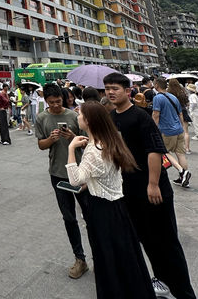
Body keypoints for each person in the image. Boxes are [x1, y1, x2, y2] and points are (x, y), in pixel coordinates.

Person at [105, 72, 197, 299]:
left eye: (115, 88)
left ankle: (184, 292)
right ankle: (162, 281)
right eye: (107, 88)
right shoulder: (112, 117)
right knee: (147, 241)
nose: (110, 92)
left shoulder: (140, 116)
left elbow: (155, 150)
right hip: (130, 189)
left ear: (128, 92)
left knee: (167, 242)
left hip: (152, 189)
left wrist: (153, 184)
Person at [66, 102, 155, 299]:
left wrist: (71, 148)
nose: (77, 117)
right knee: (125, 255)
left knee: (106, 257)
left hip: (101, 209)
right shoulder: (108, 141)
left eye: (79, 114)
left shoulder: (92, 150)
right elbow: (104, 175)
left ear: (88, 121)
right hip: (118, 206)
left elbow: (75, 179)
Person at [34, 82, 90, 280]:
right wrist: (51, 139)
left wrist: (73, 137)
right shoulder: (41, 118)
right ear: (46, 101)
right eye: (52, 103)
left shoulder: (74, 116)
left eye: (58, 101)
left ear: (64, 98)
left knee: (91, 217)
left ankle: (101, 255)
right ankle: (80, 258)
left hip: (81, 174)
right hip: (58, 174)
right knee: (69, 218)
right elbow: (41, 145)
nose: (56, 106)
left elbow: (88, 144)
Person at [152, 77, 191, 187]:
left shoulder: (158, 98)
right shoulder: (173, 97)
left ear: (157, 85)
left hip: (167, 130)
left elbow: (156, 115)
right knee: (180, 154)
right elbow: (181, 114)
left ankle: (182, 172)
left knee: (164, 152)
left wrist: (153, 128)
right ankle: (183, 177)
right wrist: (182, 127)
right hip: (178, 129)